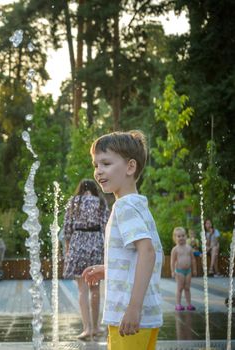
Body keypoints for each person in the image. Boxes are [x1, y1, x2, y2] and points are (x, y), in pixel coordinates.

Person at [82, 130, 163, 350]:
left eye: (106, 163)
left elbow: (148, 252)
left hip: (128, 318)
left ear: (130, 167)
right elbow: (140, 256)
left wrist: (133, 308)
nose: (98, 171)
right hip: (146, 315)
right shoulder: (138, 205)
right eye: (96, 165)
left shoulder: (124, 206)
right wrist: (108, 269)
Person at [62, 179, 109, 340]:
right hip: (96, 242)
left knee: (82, 290)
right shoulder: (101, 202)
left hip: (77, 243)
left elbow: (67, 227)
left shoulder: (74, 202)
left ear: (80, 189)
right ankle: (96, 327)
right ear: (95, 189)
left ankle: (86, 328)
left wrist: (68, 249)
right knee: (94, 288)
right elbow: (106, 226)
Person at [170, 227, 197, 311]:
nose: (181, 238)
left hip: (188, 271)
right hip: (179, 271)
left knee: (187, 288)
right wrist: (172, 271)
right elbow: (172, 261)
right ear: (175, 238)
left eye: (183, 235)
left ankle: (189, 304)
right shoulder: (175, 249)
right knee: (180, 288)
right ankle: (178, 304)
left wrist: (194, 269)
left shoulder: (189, 248)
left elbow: (193, 259)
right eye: (179, 236)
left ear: (186, 236)